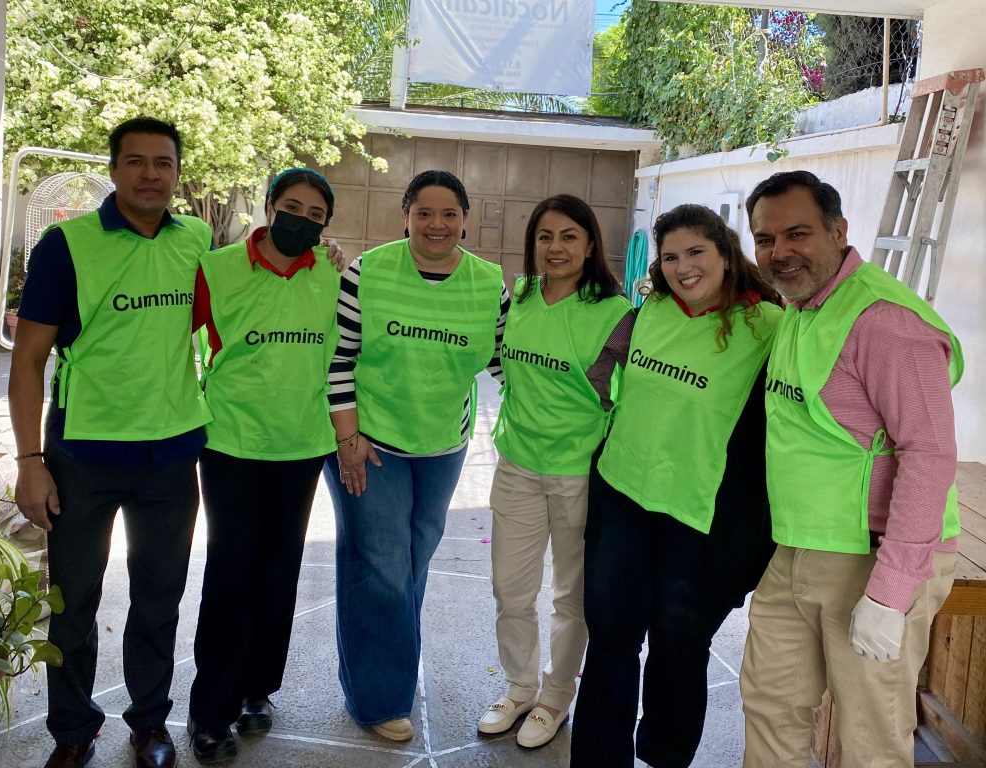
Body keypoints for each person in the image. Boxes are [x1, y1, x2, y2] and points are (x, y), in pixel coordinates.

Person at [740, 170, 961, 768]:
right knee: (768, 703)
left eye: (797, 233)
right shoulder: (803, 307)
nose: (779, 252)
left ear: (839, 232)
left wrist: (889, 596)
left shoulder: (887, 324)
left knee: (869, 740)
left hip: (871, 559)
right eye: (765, 239)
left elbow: (931, 454)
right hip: (798, 548)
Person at [9, 117, 211, 768]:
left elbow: (261, 280)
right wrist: (30, 462)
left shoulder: (200, 241)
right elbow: (28, 358)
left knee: (158, 601)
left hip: (173, 455)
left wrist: (324, 256)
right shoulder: (67, 245)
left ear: (178, 172)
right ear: (115, 168)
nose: (151, 174)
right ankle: (72, 733)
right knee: (72, 605)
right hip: (82, 455)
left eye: (163, 163)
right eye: (136, 162)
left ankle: (150, 725)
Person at [570, 204, 783, 768]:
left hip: (699, 515)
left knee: (679, 647)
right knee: (612, 637)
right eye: (670, 257)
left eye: (696, 253)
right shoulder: (651, 310)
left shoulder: (770, 327)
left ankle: (665, 755)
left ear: (725, 253)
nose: (684, 267)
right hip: (622, 494)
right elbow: (606, 379)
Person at [323, 169, 508, 742]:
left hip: (442, 447)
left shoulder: (489, 283)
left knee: (411, 564)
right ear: (405, 215)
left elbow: (506, 362)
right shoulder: (368, 272)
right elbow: (339, 360)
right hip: (370, 442)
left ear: (464, 219)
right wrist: (349, 441)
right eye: (424, 212)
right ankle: (380, 699)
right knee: (380, 565)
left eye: (448, 213)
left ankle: (388, 667)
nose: (436, 224)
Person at [185, 168, 341, 764]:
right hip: (230, 445)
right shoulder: (218, 269)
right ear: (271, 206)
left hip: (301, 446)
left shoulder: (332, 272)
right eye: (292, 206)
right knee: (230, 576)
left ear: (326, 226)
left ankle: (258, 691)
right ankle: (210, 713)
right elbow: (174, 343)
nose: (303, 219)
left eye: (317, 214)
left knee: (280, 575)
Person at [476, 195, 632, 748]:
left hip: (580, 476)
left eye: (569, 236)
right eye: (545, 236)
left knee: (572, 596)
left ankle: (555, 695)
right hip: (517, 465)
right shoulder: (519, 296)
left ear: (590, 244)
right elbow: (499, 360)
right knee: (510, 590)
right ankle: (519, 686)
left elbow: (627, 397)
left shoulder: (617, 312)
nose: (556, 247)